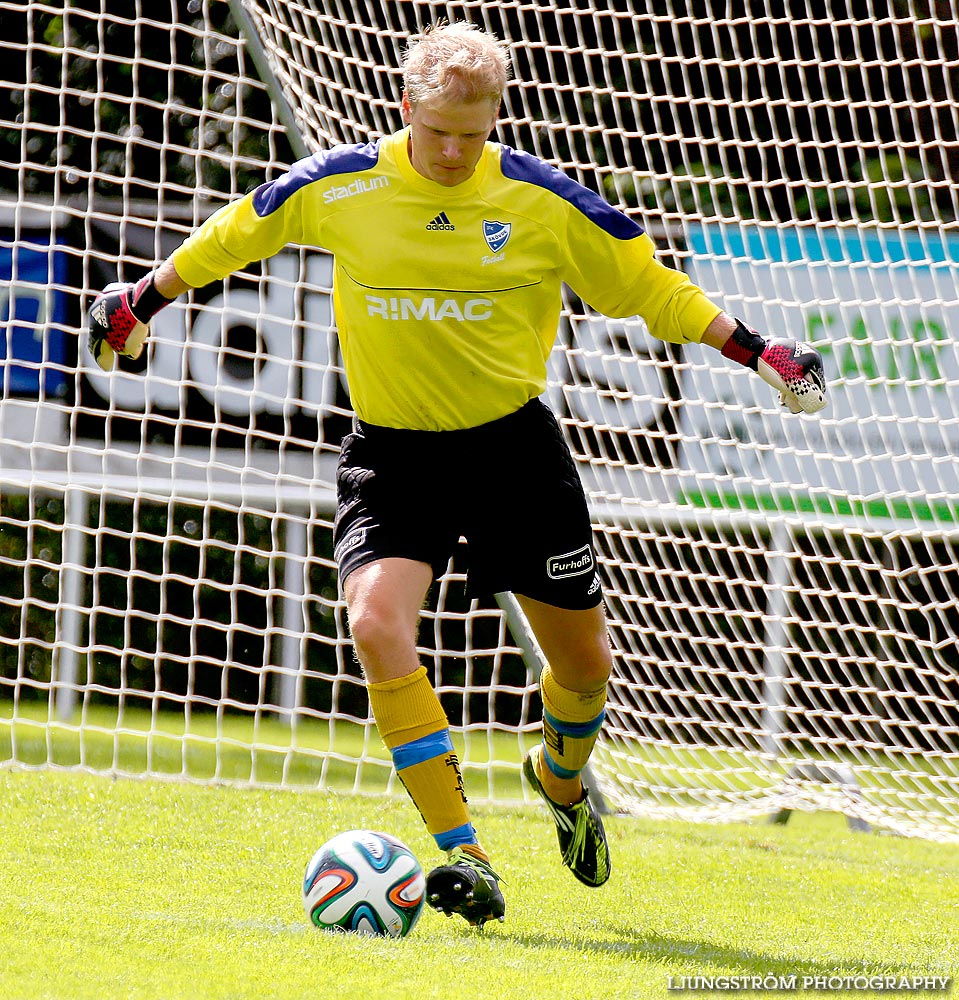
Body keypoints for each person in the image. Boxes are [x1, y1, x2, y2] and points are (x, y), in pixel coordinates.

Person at [87, 22, 827, 928]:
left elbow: (650, 288)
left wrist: (756, 352)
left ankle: (557, 778)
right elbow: (233, 235)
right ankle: (462, 852)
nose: (450, 151)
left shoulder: (541, 201)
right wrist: (141, 298)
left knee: (586, 667)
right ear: (407, 107)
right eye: (436, 129)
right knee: (373, 622)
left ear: (495, 120)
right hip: (393, 454)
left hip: (511, 453)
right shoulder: (342, 184)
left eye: (470, 136)